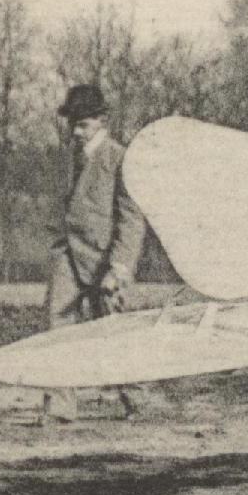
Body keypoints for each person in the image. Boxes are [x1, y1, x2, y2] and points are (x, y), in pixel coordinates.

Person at [41, 82, 150, 423]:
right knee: (57, 326)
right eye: (72, 124)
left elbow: (132, 219)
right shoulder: (71, 157)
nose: (76, 131)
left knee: (114, 331)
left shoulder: (120, 159)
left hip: (106, 262)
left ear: (103, 121)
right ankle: (60, 407)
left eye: (83, 125)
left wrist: (119, 267)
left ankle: (136, 401)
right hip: (69, 256)